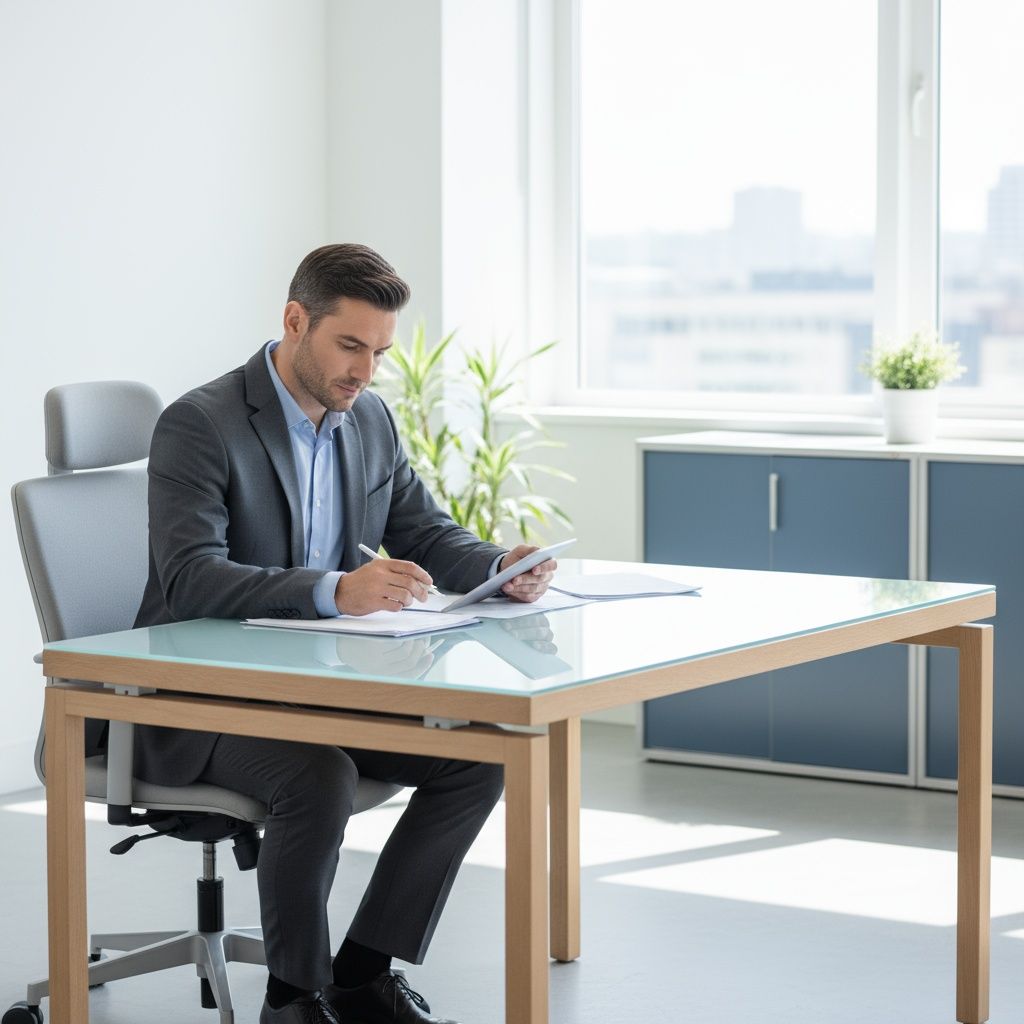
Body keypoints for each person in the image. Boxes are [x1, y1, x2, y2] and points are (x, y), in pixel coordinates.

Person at [133, 243, 558, 1024]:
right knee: (317, 775)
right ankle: (293, 999)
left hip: (317, 686)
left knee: (476, 756)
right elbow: (188, 578)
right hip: (196, 699)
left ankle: (361, 975)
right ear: (295, 322)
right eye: (350, 346)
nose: (366, 372)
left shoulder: (369, 418)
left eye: (381, 352)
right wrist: (335, 591)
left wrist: (500, 564)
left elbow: (423, 529)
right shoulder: (202, 423)